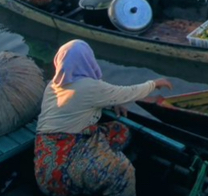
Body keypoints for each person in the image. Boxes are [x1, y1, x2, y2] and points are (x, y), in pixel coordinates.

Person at [35, 40, 173, 195]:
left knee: (120, 130)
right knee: (122, 171)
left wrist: (110, 102)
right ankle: (106, 176)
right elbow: (128, 92)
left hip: (45, 164)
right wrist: (154, 84)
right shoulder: (87, 86)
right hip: (63, 173)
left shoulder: (53, 85)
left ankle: (99, 166)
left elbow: (80, 101)